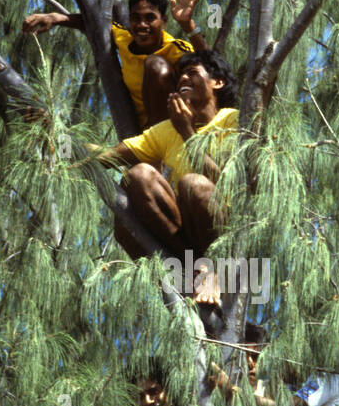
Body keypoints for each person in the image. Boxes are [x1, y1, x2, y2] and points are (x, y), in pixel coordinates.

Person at [89, 50, 239, 305]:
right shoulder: (167, 129)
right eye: (181, 76)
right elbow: (106, 156)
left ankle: (213, 271)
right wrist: (59, 138)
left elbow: (229, 185)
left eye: (192, 73)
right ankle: (191, 270)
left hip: (225, 235)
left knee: (193, 184)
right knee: (138, 175)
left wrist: (188, 132)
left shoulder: (235, 120)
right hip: (186, 244)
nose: (183, 80)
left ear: (218, 82)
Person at [21, 0, 207, 129]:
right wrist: (56, 17)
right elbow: (93, 25)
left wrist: (187, 25)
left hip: (174, 128)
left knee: (155, 65)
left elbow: (211, 67)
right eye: (136, 18)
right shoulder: (124, 37)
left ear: (164, 22)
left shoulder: (176, 49)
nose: (142, 25)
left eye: (150, 18)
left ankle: (159, 146)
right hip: (139, 133)